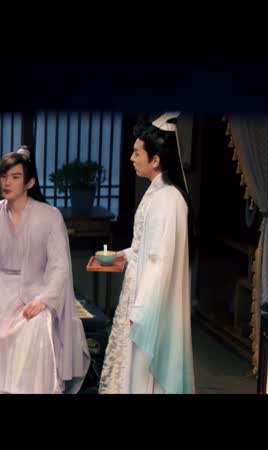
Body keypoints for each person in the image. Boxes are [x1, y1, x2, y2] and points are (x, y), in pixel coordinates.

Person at [0, 146, 90, 394]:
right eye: (3, 176)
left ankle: (22, 387)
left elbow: (60, 267)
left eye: (15, 177)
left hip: (35, 289)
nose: (7, 183)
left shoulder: (50, 216)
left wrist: (44, 300)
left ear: (30, 182)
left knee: (35, 322)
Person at [99, 112, 195, 394]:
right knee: (133, 370)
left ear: (155, 160)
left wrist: (141, 311)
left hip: (150, 304)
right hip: (141, 295)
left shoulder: (167, 199)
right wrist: (123, 255)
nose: (131, 158)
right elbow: (145, 247)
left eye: (137, 152)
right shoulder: (157, 193)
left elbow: (158, 261)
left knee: (143, 371)